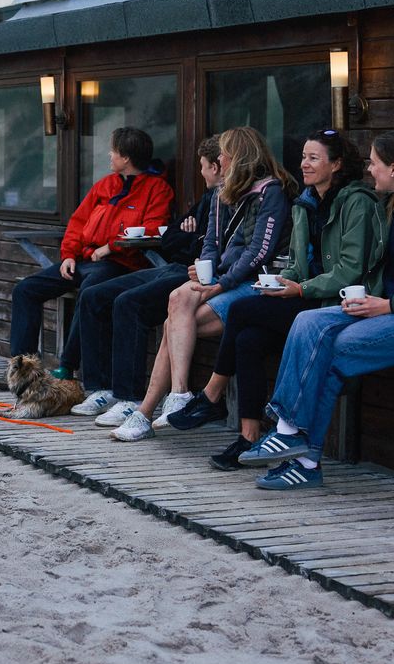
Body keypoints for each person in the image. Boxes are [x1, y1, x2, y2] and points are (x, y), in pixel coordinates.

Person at [239, 130, 394, 489]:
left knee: (333, 352)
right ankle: (289, 433)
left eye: (374, 164)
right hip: (391, 307)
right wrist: (370, 300)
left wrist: (387, 304)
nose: (369, 170)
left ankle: (304, 457)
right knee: (307, 321)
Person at [166, 130, 377, 471]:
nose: (304, 164)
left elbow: (350, 270)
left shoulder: (357, 203)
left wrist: (299, 289)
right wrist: (283, 281)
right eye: (303, 157)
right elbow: (296, 261)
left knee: (241, 308)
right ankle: (249, 435)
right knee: (248, 339)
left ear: (337, 165)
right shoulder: (307, 201)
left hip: (331, 303)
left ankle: (212, 393)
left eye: (313, 158)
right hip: (303, 295)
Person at [113, 126, 296, 441]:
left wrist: (222, 283)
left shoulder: (271, 192)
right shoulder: (221, 193)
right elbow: (210, 240)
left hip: (251, 283)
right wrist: (204, 270)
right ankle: (179, 394)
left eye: (223, 153)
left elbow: (258, 252)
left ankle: (145, 411)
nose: (219, 159)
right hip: (222, 279)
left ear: (237, 156)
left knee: (175, 323)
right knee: (177, 301)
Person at [70, 136, 223, 424]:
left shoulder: (228, 199)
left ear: (217, 167)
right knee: (93, 295)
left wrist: (191, 237)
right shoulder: (208, 198)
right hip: (177, 266)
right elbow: (172, 237)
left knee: (129, 303)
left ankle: (130, 398)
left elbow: (205, 247)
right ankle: (102, 388)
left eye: (203, 166)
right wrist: (189, 236)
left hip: (195, 275)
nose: (200, 172)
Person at [3, 127, 173, 384]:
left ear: (125, 157)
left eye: (113, 150)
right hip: (82, 260)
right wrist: (69, 254)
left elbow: (153, 228)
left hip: (120, 264)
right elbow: (77, 222)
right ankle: (22, 371)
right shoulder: (105, 185)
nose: (109, 154)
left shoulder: (157, 189)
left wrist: (112, 246)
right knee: (26, 289)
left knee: (90, 292)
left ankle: (67, 365)